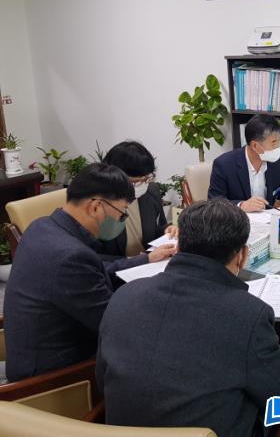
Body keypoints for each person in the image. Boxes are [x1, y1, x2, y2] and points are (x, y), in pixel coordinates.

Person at [97, 198, 280, 436]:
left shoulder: (124, 295)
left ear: (179, 246)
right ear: (242, 255)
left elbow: (103, 381)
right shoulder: (247, 315)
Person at [3, 163, 172, 382]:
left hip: (32, 352)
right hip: (52, 377)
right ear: (95, 207)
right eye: (121, 214)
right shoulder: (70, 256)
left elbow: (97, 270)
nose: (121, 222)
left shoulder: (42, 227)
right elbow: (114, 323)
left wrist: (146, 259)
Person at [100, 141, 178, 258]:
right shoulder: (99, 204)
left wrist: (168, 230)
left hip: (151, 264)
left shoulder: (151, 192)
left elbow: (155, 229)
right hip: (119, 267)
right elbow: (93, 258)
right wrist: (139, 261)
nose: (144, 184)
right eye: (136, 181)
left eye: (147, 178)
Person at [208, 114, 280, 212]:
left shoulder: (276, 161)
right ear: (255, 146)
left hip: (267, 219)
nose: (278, 147)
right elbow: (214, 204)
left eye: (279, 141)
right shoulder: (224, 164)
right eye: (274, 142)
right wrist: (241, 205)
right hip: (237, 219)